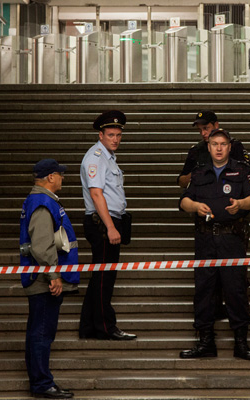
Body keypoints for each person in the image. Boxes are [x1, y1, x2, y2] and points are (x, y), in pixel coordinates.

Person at [179, 128, 250, 361]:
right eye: (214, 144)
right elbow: (183, 200)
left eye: (223, 144)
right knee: (204, 290)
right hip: (205, 239)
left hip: (231, 240)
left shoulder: (241, 170)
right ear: (208, 146)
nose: (218, 148)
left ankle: (241, 343)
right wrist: (195, 207)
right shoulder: (199, 172)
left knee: (236, 290)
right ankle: (205, 343)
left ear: (229, 146)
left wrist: (241, 204)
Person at [20, 159, 80, 399]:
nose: (63, 178)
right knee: (42, 333)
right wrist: (53, 275)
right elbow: (43, 245)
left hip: (40, 277)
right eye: (60, 175)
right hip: (43, 280)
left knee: (38, 332)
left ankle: (40, 380)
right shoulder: (43, 203)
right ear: (51, 178)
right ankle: (42, 383)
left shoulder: (38, 200)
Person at [78, 110, 136, 341]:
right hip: (103, 223)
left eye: (118, 135)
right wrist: (111, 227)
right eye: (111, 134)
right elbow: (96, 194)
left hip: (108, 221)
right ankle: (105, 326)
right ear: (100, 135)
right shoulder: (96, 158)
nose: (115, 139)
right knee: (105, 277)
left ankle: (89, 327)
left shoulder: (107, 157)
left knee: (100, 276)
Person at [177, 110, 250, 188]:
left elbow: (248, 172)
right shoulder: (196, 150)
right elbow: (181, 181)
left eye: (206, 128)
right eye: (199, 130)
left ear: (216, 125)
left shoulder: (234, 146)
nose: (203, 133)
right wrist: (196, 173)